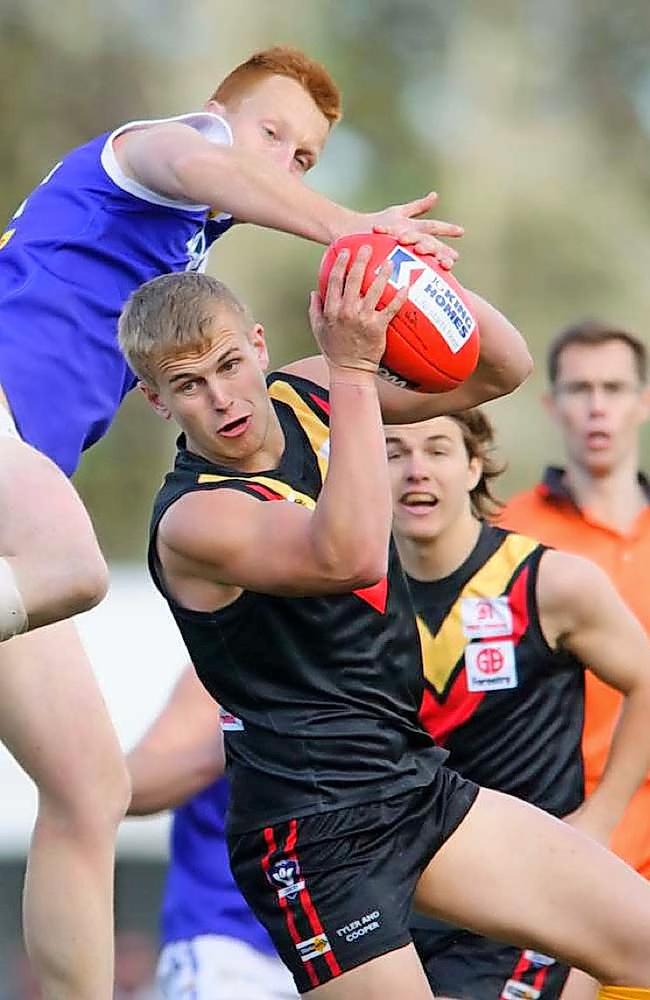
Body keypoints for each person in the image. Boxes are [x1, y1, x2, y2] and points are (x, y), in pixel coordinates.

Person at [0, 45, 463, 998]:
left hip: (17, 482)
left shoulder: (172, 253)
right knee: (75, 565)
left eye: (305, 159)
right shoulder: (156, 152)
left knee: (92, 790)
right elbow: (211, 166)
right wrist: (352, 233)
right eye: (273, 133)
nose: (281, 162)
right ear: (220, 109)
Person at [118, 256, 650, 1000]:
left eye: (230, 365)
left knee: (639, 941)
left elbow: (503, 369)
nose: (222, 398)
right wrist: (356, 372)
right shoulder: (195, 517)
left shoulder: (309, 390)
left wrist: (397, 260)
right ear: (156, 400)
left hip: (412, 784)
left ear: (260, 344)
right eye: (188, 386)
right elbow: (354, 555)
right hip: (313, 832)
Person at [385, 407, 650, 1000]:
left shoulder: (549, 582)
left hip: (529, 899)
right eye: (392, 452)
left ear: (474, 464)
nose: (415, 471)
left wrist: (600, 821)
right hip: (400, 899)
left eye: (437, 449)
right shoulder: (348, 596)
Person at [501, 321, 650, 999]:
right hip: (558, 838)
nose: (597, 406)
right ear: (552, 405)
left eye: (614, 389)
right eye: (580, 389)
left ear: (642, 402)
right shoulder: (506, 534)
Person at [127, 665, 298, 999]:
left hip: (356, 941)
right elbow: (128, 787)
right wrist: (241, 739)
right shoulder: (232, 657)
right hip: (230, 948)